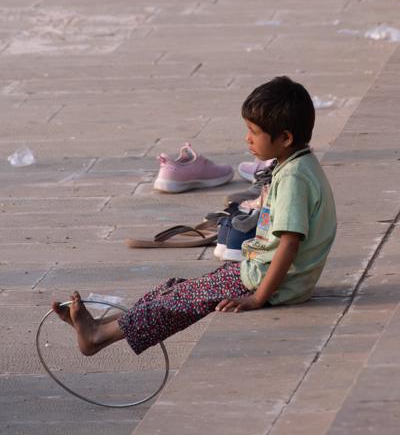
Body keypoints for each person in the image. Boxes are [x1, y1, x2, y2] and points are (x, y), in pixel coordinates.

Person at [52, 76, 336, 357]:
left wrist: (258, 298)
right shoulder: (295, 164)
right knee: (177, 289)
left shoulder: (294, 179)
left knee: (180, 300)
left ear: (285, 137)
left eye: (254, 131)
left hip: (270, 284)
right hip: (262, 272)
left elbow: (289, 243)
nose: (247, 138)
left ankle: (96, 336)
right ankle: (103, 326)